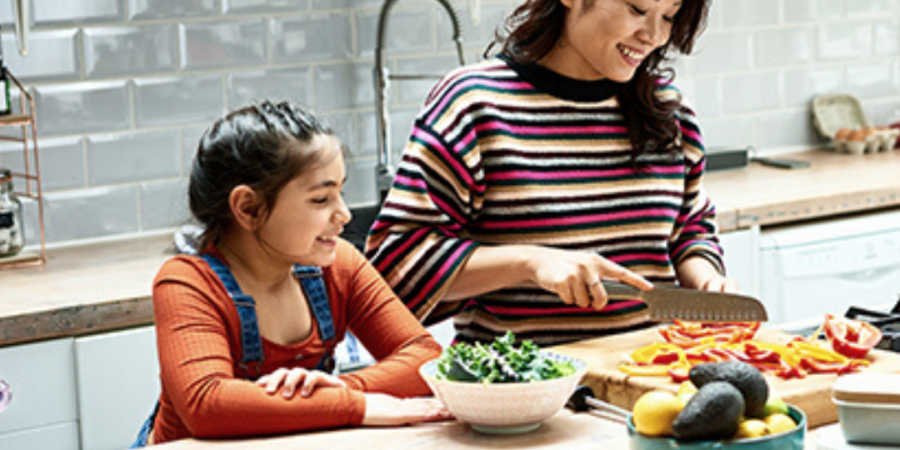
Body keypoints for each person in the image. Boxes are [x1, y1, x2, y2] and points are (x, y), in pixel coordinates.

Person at [366, 0, 738, 346]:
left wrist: (705, 280)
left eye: (669, 15)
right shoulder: (473, 104)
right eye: (638, 8)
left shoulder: (667, 110)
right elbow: (397, 263)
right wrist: (530, 263)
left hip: (649, 381)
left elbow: (689, 228)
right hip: (519, 396)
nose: (655, 35)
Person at [137, 101, 448, 446]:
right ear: (248, 208)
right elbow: (207, 405)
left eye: (340, 193)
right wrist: (353, 406)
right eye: (321, 199)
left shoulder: (338, 265)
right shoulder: (188, 283)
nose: (343, 214)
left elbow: (425, 356)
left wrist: (337, 391)